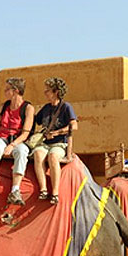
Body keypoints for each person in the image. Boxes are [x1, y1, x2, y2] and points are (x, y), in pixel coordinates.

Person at [31, 77, 77, 206]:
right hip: (45, 143)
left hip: (59, 143)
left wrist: (57, 132)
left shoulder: (66, 107)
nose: (45, 93)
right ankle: (43, 189)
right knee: (38, 154)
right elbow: (36, 120)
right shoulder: (46, 108)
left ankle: (55, 192)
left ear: (56, 92)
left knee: (53, 157)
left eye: (48, 90)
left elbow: (74, 125)